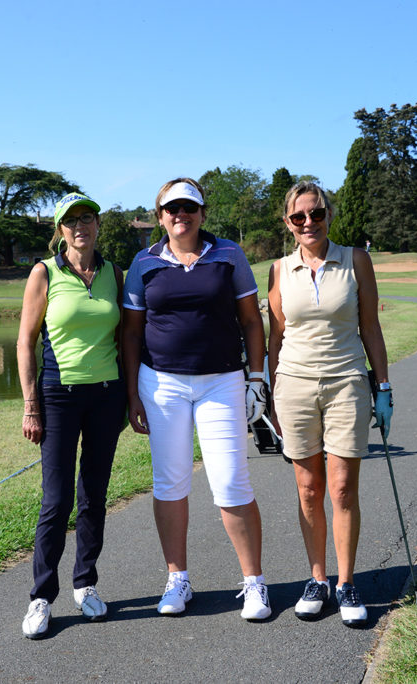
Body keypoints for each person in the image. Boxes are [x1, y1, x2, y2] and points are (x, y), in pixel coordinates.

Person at [122, 177, 272, 621]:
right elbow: (131, 332)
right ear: (160, 216)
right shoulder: (144, 262)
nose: (181, 215)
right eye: (172, 209)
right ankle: (177, 579)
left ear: (203, 213)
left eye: (189, 207)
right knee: (170, 484)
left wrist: (256, 378)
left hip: (221, 382)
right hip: (161, 384)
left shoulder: (228, 254)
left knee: (231, 483)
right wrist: (132, 393)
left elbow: (251, 321)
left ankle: (254, 583)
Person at [266, 181, 393, 627]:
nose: (309, 222)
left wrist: (384, 387)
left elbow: (370, 326)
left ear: (328, 216)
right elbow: (276, 336)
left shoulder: (355, 260)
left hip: (346, 384)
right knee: (308, 489)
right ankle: (317, 579)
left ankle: (346, 582)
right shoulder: (279, 270)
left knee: (341, 489)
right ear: (288, 223)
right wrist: (270, 392)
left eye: (316, 214)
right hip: (294, 386)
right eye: (299, 216)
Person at [16, 192, 127, 639]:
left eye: (87, 218)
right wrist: (31, 406)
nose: (80, 226)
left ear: (98, 225)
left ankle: (86, 584)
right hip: (58, 397)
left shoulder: (113, 273)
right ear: (60, 230)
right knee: (56, 500)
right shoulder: (45, 272)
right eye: (71, 220)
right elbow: (25, 342)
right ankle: (42, 596)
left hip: (106, 396)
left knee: (94, 496)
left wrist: (129, 397)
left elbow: (124, 337)